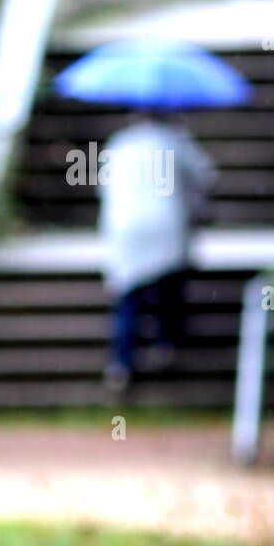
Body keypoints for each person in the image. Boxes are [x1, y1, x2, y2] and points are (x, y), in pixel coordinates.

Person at [98, 108, 214, 396]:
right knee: (169, 290)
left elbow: (104, 186)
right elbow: (203, 178)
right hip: (166, 224)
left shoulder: (119, 143)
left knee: (129, 298)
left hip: (126, 228)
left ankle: (121, 363)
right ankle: (166, 345)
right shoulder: (176, 141)